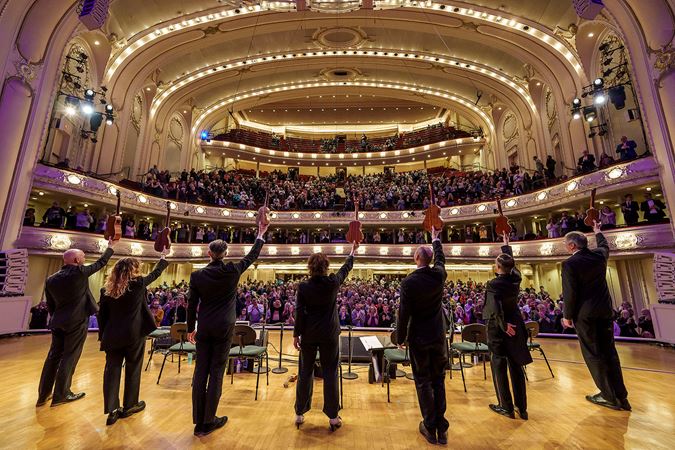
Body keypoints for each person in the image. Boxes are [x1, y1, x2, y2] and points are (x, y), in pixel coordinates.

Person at [186, 221, 268, 437]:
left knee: (200, 372)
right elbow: (251, 257)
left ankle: (198, 422)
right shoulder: (232, 270)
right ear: (225, 253)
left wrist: (188, 329)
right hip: (224, 327)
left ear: (208, 253)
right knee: (216, 372)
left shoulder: (197, 276)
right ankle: (209, 419)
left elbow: (192, 305)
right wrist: (260, 235)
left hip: (204, 326)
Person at [37, 239, 116, 407]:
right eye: (83, 257)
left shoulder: (51, 279)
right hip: (76, 321)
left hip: (57, 321)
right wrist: (111, 247)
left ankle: (43, 395)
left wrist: (56, 317)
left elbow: (50, 304)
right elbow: (101, 262)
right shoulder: (79, 273)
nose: (84, 258)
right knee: (69, 356)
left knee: (53, 357)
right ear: (76, 261)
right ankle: (62, 394)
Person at [561, 223, 630, 411]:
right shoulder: (598, 256)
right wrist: (598, 230)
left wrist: (567, 316)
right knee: (610, 353)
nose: (565, 247)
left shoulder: (570, 264)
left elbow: (570, 292)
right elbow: (604, 246)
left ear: (573, 246)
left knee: (593, 355)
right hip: (604, 311)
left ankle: (608, 396)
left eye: (566, 244)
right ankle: (621, 396)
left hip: (585, 315)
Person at [98, 246, 169, 425]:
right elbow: (155, 274)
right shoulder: (137, 285)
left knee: (111, 371)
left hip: (112, 336)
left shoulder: (105, 291)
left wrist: (102, 335)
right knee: (133, 369)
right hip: (134, 335)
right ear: (134, 270)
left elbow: (102, 316)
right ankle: (130, 405)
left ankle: (112, 410)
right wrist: (163, 258)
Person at [293, 242, 357, 431]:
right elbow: (346, 269)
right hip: (329, 334)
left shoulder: (303, 287)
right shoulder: (332, 283)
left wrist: (296, 334)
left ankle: (299, 413)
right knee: (330, 373)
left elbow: (299, 312)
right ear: (326, 267)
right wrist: (352, 252)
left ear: (310, 267)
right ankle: (333, 417)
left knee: (305, 372)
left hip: (309, 334)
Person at [395, 226, 448, 445]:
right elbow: (442, 260)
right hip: (437, 335)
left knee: (423, 381)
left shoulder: (409, 282)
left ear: (416, 258)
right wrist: (435, 238)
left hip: (418, 337)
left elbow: (403, 313)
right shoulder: (439, 275)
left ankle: (428, 424)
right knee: (439, 380)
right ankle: (441, 428)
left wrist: (399, 337)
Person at [483, 233, 532, 420]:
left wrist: (504, 326)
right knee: (516, 366)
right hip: (516, 324)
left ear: (497, 267)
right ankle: (522, 408)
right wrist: (506, 245)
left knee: (499, 365)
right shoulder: (516, 278)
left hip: (499, 328)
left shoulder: (493, 283)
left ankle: (506, 406)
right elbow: (514, 266)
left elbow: (495, 309)